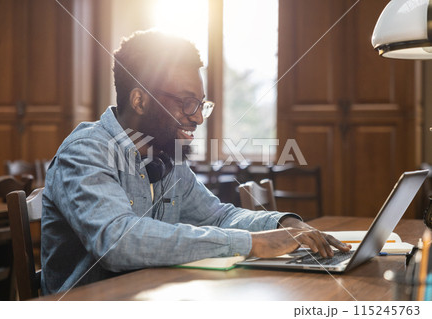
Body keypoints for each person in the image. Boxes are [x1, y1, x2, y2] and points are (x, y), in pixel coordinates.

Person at [40, 30, 350, 295]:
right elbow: (117, 241)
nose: (199, 117)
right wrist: (252, 244)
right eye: (187, 103)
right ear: (140, 100)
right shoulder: (85, 151)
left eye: (201, 104)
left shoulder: (165, 156)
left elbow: (216, 217)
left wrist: (284, 225)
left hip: (152, 297)